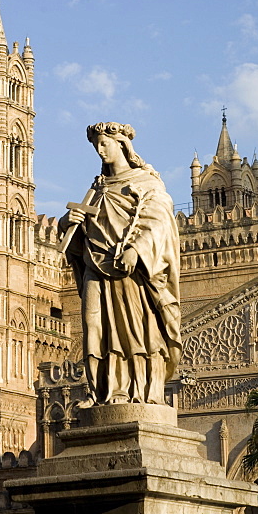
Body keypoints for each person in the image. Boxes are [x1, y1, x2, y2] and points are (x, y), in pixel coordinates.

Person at [60, 123, 181, 405]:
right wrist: (69, 223)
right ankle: (101, 391)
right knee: (95, 327)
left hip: (129, 269)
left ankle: (138, 391)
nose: (100, 150)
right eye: (96, 146)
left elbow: (160, 221)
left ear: (122, 145)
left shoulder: (146, 183)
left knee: (133, 330)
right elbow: (83, 230)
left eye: (105, 144)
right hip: (95, 266)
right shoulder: (97, 188)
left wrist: (137, 250)